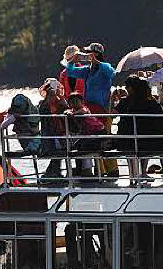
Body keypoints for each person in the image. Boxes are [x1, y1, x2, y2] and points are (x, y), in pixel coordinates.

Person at [64, 42, 118, 176]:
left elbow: (112, 73)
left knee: (103, 139)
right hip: (90, 109)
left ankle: (112, 170)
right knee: (92, 139)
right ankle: (98, 170)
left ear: (97, 54)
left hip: (101, 109)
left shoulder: (104, 68)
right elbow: (70, 72)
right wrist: (72, 61)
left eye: (89, 53)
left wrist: (97, 62)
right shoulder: (87, 70)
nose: (87, 55)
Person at [112, 75, 163, 185]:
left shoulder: (125, 102)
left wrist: (112, 98)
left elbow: (113, 114)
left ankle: (132, 175)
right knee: (142, 143)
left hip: (127, 140)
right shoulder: (151, 102)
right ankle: (142, 172)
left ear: (131, 88)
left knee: (131, 146)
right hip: (150, 141)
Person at [65, 92, 107, 177]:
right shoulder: (72, 111)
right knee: (77, 146)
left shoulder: (84, 109)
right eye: (72, 101)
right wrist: (68, 112)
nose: (75, 103)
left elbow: (82, 111)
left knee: (82, 146)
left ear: (82, 102)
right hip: (88, 134)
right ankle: (82, 169)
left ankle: (87, 171)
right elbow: (67, 112)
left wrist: (73, 114)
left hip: (97, 132)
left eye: (77, 101)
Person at [37, 77, 68, 178]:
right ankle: (52, 173)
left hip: (60, 132)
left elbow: (66, 109)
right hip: (49, 133)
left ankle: (53, 173)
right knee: (57, 152)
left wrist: (60, 98)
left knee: (60, 152)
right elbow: (44, 114)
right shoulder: (43, 104)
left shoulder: (60, 102)